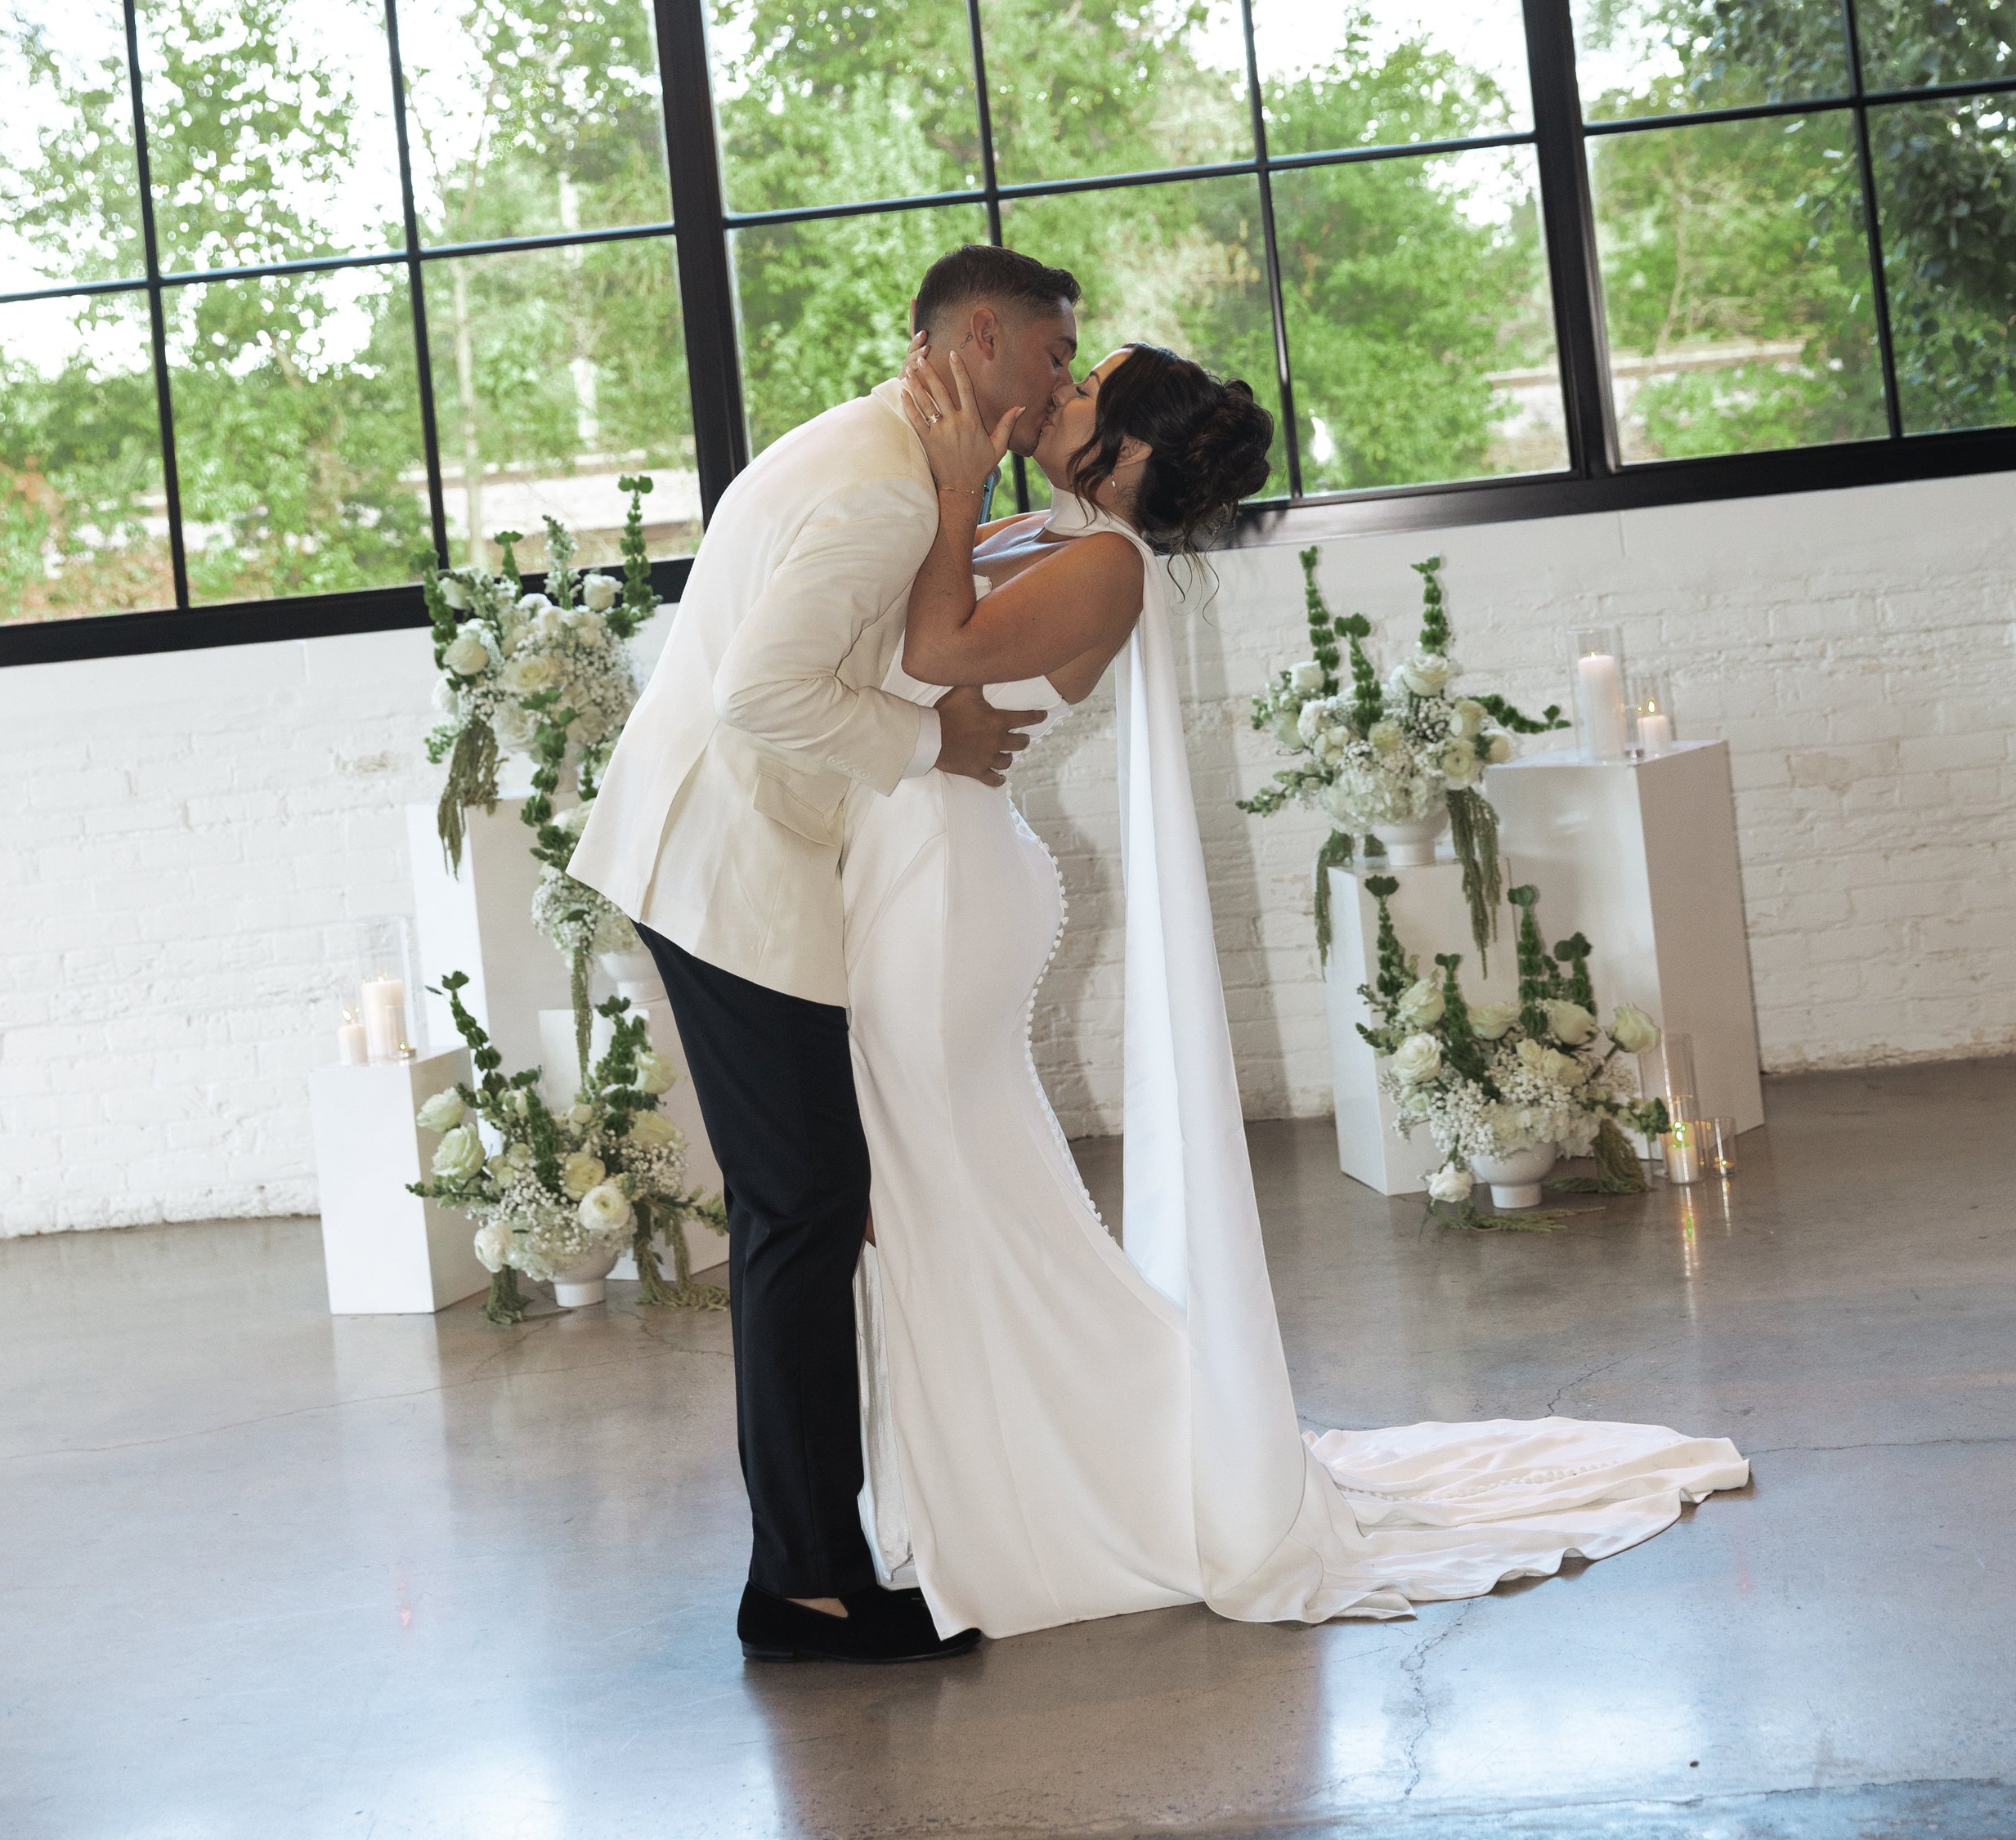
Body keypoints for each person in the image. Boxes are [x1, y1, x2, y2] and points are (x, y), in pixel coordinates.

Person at [842, 339, 1749, 1640]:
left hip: (943, 899)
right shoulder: (1049, 530)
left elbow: (937, 638)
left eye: (1085, 390)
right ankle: (1006, 1469)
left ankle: (1048, 1481)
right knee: (956, 1199)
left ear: (1133, 452)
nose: (1057, 395)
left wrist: (946, 483)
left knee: (936, 1190)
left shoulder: (1105, 565)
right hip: (917, 874)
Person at [569, 244, 1080, 1665]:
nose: (1057, 390)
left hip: (737, 859)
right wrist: (938, 741)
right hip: (724, 868)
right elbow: (763, 688)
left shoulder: (886, 455)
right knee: (803, 1212)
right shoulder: (877, 483)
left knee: (809, 1205)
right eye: (1049, 357)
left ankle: (808, 1560)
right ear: (979, 339)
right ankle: (800, 1584)